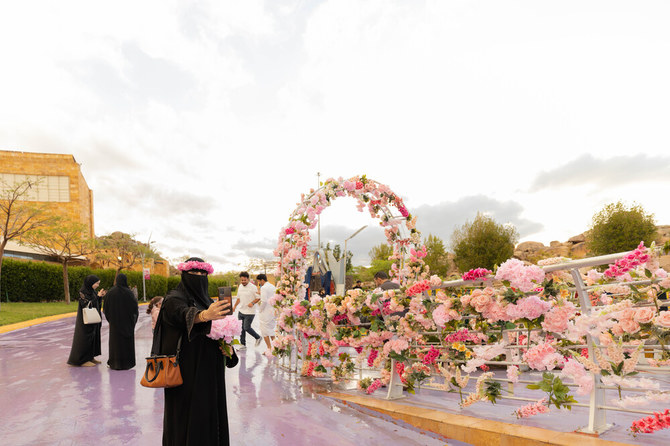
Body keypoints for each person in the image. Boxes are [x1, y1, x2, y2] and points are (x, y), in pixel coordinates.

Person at [158, 257, 238, 446]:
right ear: (185, 275)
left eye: (203, 273)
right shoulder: (173, 299)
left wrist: (229, 351)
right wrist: (203, 315)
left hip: (210, 374)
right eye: (194, 273)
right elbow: (180, 313)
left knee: (209, 415)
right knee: (186, 418)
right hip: (185, 374)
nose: (199, 276)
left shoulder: (209, 301)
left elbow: (220, 332)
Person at [67, 274, 106, 367]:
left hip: (93, 320)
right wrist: (97, 297)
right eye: (96, 283)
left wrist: (99, 297)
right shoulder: (82, 292)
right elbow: (87, 304)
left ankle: (90, 357)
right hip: (85, 321)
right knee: (85, 339)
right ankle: (82, 360)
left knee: (93, 338)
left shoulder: (92, 291)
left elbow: (95, 303)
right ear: (90, 283)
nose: (97, 285)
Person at [103, 273, 139, 370]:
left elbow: (105, 308)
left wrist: (111, 319)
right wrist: (132, 321)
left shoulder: (110, 292)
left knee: (115, 344)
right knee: (126, 344)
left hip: (114, 324)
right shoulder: (129, 293)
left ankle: (115, 363)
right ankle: (127, 363)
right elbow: (135, 309)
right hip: (127, 324)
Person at [232, 271, 262, 349]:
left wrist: (252, 303)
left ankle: (258, 337)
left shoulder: (253, 287)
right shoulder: (240, 287)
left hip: (250, 312)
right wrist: (234, 306)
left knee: (246, 327)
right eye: (242, 280)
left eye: (244, 280)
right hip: (241, 311)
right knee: (241, 329)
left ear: (248, 279)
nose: (243, 282)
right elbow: (239, 298)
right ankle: (243, 345)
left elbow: (258, 298)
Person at [255, 274, 276, 357]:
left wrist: (260, 309)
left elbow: (263, 301)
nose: (259, 283)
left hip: (265, 312)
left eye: (259, 281)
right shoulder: (272, 286)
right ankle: (275, 348)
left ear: (262, 280)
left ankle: (269, 348)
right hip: (272, 311)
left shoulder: (263, 288)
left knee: (264, 331)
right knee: (270, 329)